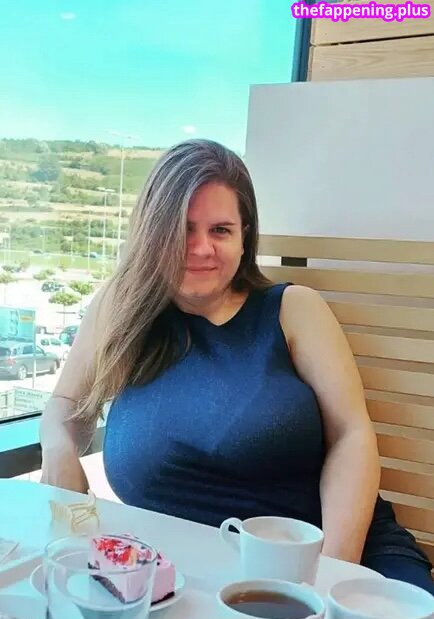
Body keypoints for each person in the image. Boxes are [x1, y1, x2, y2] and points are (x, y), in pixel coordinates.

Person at [40, 138, 434, 595]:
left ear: (245, 236)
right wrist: (59, 448)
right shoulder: (120, 312)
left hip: (335, 556)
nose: (201, 248)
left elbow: (351, 435)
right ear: (152, 234)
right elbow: (67, 403)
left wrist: (330, 574)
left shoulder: (293, 310)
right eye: (182, 230)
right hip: (186, 577)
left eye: (221, 230)